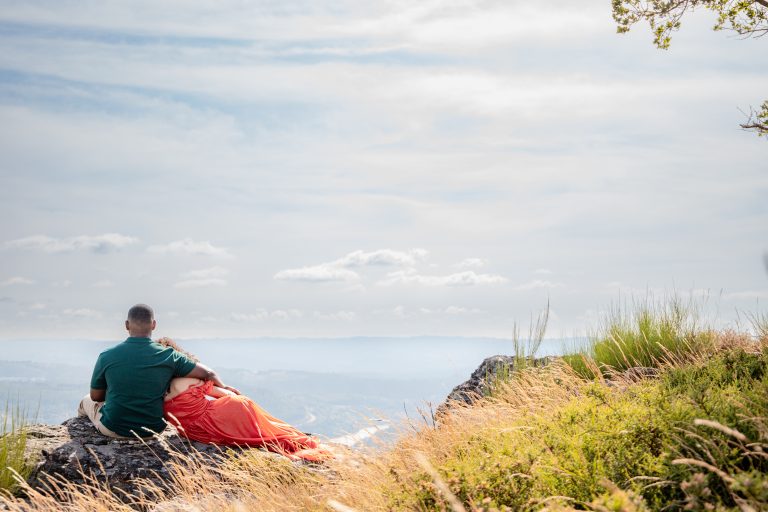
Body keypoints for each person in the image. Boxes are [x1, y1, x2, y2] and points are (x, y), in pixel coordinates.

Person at [157, 337, 333, 462]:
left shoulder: (159, 387)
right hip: (212, 421)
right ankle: (283, 435)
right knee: (242, 402)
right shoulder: (187, 380)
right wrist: (227, 390)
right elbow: (228, 395)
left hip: (193, 432)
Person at [78, 304, 239, 438]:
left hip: (113, 429)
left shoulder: (107, 356)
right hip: (154, 430)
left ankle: (80, 434)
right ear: (154, 324)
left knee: (85, 401)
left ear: (127, 325)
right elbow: (208, 373)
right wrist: (224, 388)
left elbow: (96, 396)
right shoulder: (169, 355)